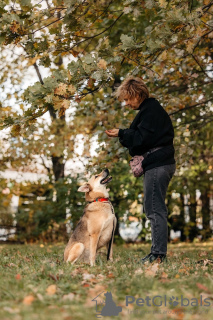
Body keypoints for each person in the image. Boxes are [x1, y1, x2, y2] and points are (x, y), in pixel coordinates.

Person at [105, 76, 176, 264]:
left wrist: (121, 133)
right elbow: (141, 139)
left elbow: (140, 139)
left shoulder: (151, 111)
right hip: (160, 163)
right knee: (154, 208)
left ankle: (158, 255)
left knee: (154, 209)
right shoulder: (150, 110)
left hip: (158, 164)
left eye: (128, 99)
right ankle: (157, 253)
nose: (126, 104)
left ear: (137, 94)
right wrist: (123, 134)